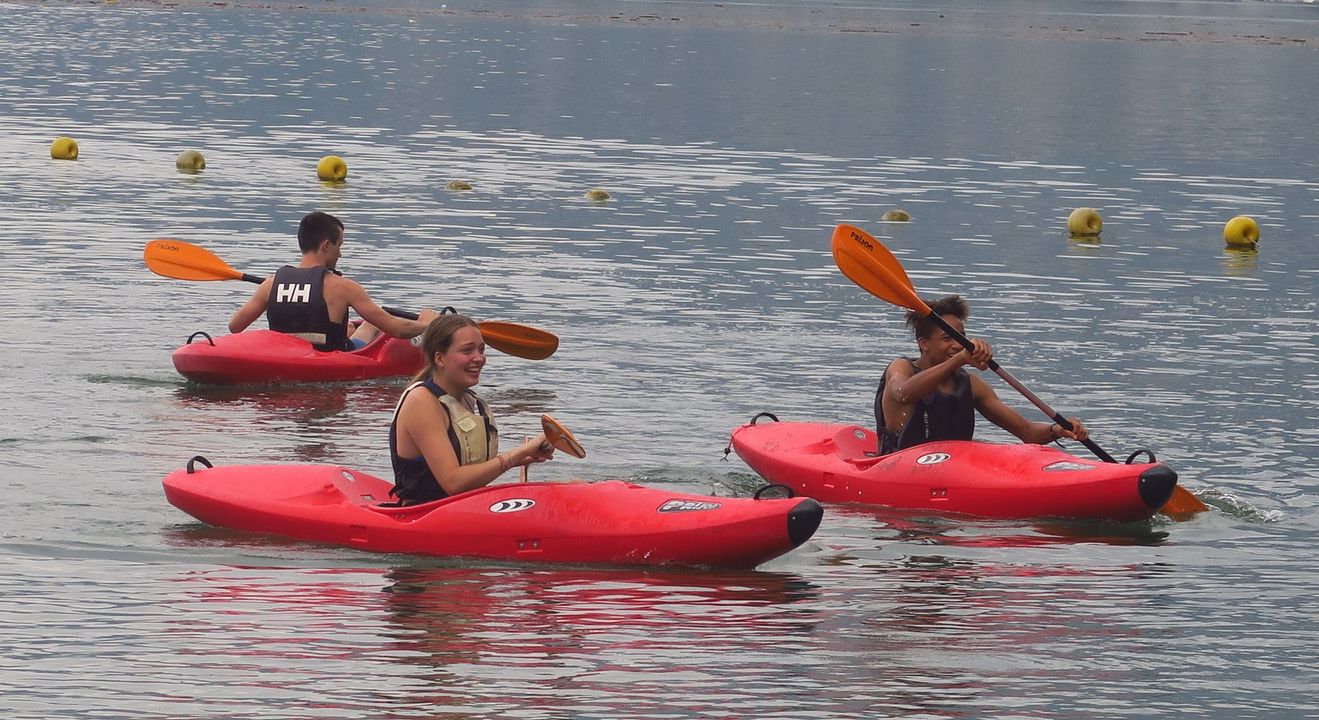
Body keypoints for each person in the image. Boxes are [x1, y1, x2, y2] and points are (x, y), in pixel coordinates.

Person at [874, 295, 1089, 455]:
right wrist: (959, 359)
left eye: (961, 337)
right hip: (898, 465)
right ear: (924, 344)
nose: (957, 345)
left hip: (954, 468)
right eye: (947, 338)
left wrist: (1057, 430)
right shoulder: (901, 367)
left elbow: (1027, 432)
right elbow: (903, 394)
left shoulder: (971, 385)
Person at [389, 313, 556, 504]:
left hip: (462, 508)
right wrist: (516, 454)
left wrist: (523, 456)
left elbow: (468, 466)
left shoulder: (468, 400)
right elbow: (453, 482)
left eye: (481, 350)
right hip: (425, 513)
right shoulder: (422, 401)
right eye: (467, 351)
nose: (479, 358)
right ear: (440, 358)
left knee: (571, 485)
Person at [229, 211, 438, 350]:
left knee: (356, 327)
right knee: (376, 326)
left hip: (284, 355)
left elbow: (235, 326)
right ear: (326, 246)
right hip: (331, 357)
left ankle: (350, 330)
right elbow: (396, 329)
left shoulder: (271, 284)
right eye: (340, 245)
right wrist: (426, 324)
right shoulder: (343, 287)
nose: (341, 254)